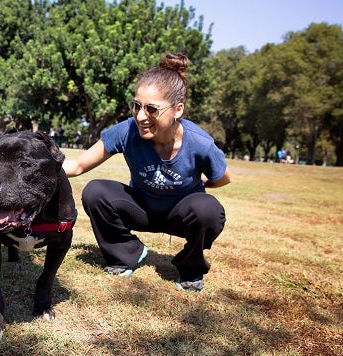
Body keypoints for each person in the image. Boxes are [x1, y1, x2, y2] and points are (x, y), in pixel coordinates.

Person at [62, 53, 231, 291]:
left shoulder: (200, 142)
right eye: (137, 106)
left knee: (208, 210)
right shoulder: (128, 130)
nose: (141, 116)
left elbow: (222, 178)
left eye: (152, 109)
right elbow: (79, 165)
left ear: (178, 109)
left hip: (179, 216)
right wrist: (42, 165)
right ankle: (126, 254)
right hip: (141, 208)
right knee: (95, 191)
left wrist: (198, 188)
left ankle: (190, 267)